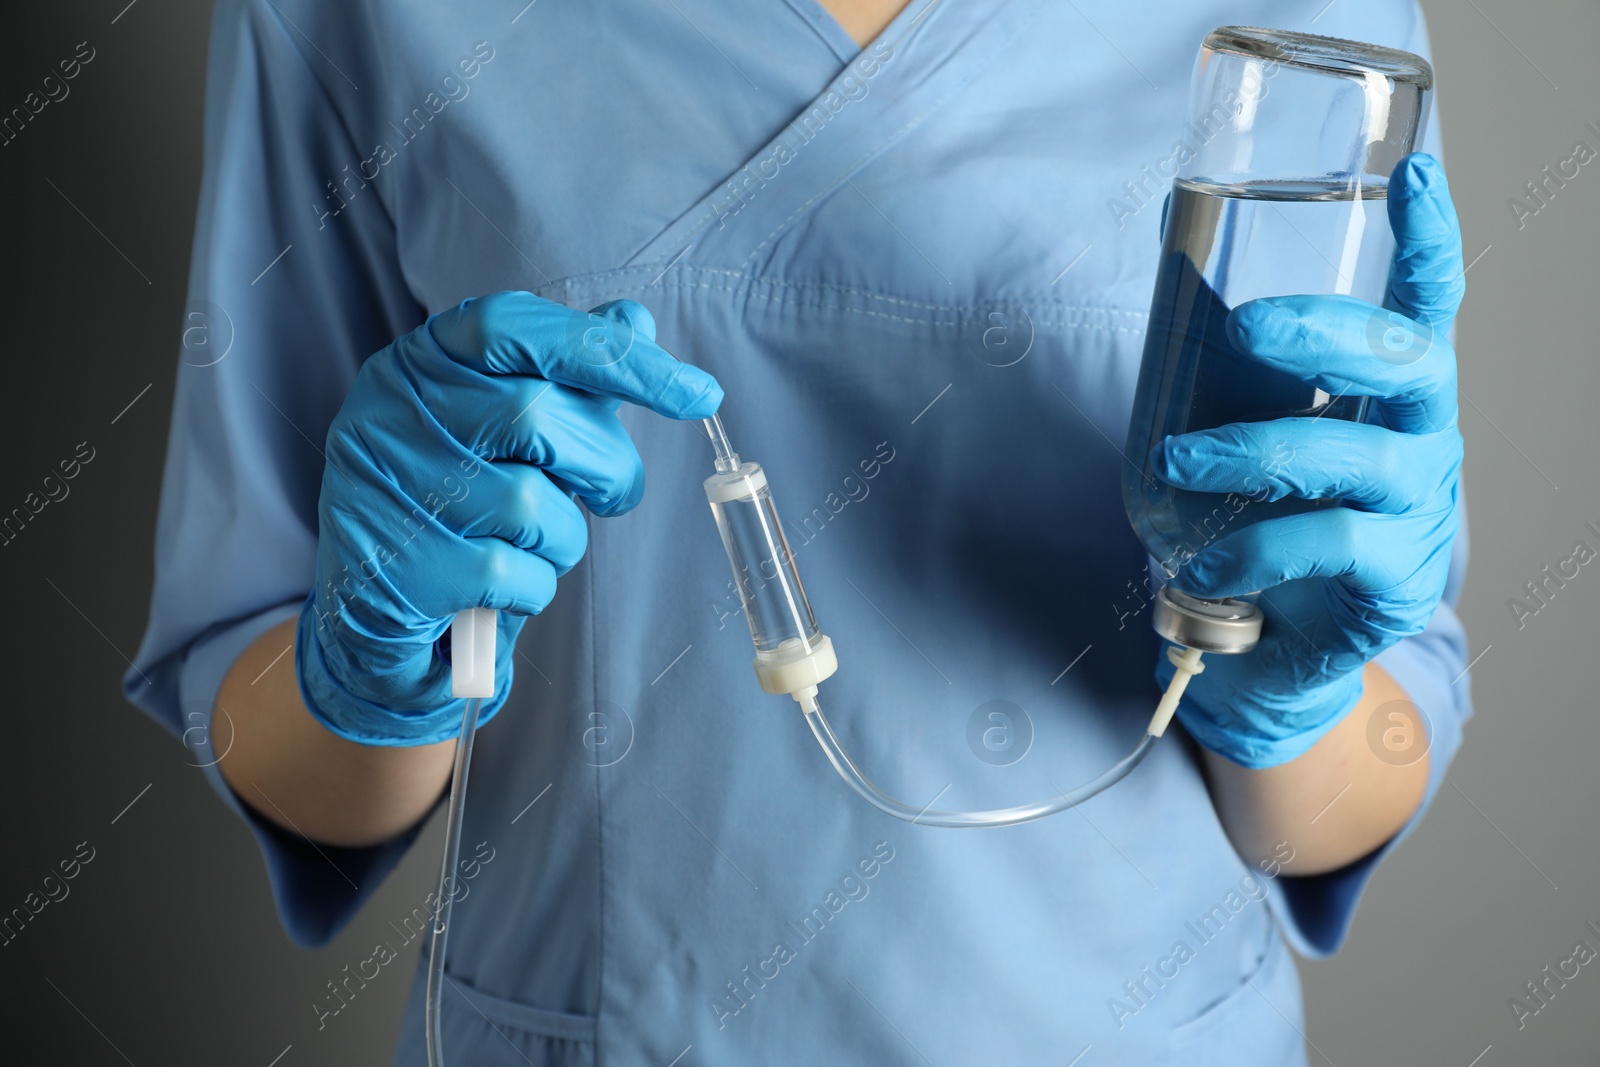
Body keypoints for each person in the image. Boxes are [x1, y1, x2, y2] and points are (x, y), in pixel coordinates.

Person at [126, 0, 1470, 1063]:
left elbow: (1347, 798)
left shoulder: (1308, 37)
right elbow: (265, 737)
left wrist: (1288, 706)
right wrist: (370, 677)